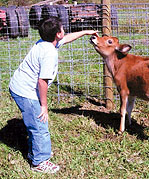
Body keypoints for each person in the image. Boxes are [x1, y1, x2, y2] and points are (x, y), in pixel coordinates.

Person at [9, 16, 98, 174]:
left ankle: (35, 151)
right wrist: (44, 106)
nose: (64, 31)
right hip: (25, 91)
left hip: (20, 86)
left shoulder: (46, 42)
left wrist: (86, 32)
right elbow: (42, 82)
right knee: (39, 126)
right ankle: (39, 161)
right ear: (58, 34)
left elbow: (67, 38)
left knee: (36, 125)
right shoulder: (49, 53)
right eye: (62, 28)